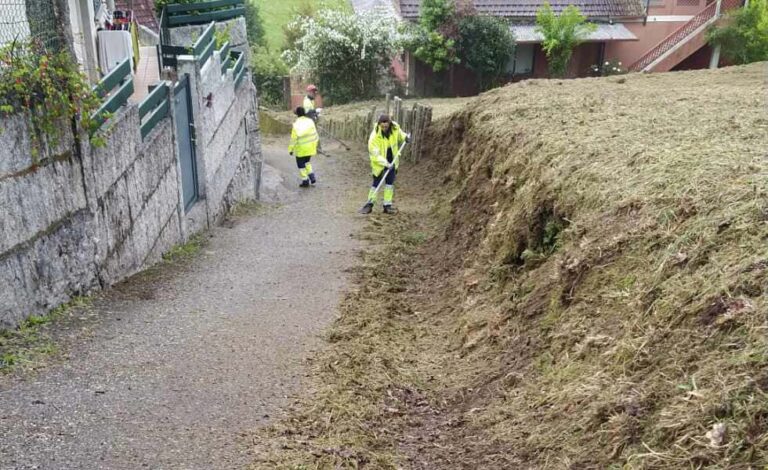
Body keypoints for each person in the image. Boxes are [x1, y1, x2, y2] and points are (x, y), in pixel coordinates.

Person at [360, 114, 409, 214]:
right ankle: (369, 205)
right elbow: (375, 155)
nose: (384, 129)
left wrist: (405, 138)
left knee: (389, 184)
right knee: (376, 183)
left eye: (386, 127)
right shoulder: (374, 137)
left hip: (392, 159)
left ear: (389, 124)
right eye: (382, 127)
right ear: (379, 124)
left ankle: (387, 206)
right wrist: (386, 164)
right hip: (379, 163)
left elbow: (401, 135)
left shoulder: (395, 128)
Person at [288, 106, 319, 188]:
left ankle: (305, 181)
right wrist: (315, 145)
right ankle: (312, 176)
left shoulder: (296, 125)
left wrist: (290, 149)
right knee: (307, 162)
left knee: (301, 165)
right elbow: (315, 134)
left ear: (297, 114)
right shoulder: (310, 122)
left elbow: (293, 139)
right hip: (310, 148)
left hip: (301, 149)